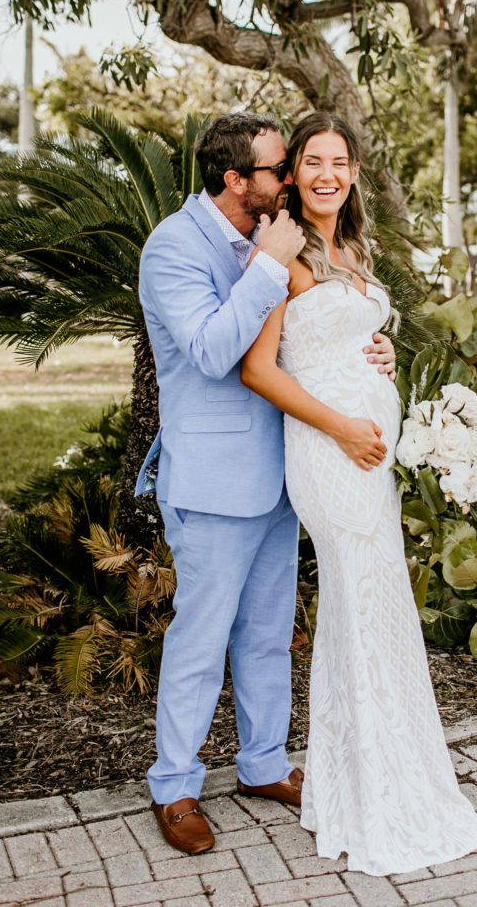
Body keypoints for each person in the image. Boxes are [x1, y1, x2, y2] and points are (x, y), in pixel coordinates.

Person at [241, 111, 477, 876]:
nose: (327, 174)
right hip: (328, 456)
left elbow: (349, 331)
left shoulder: (351, 248)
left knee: (379, 614)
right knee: (362, 613)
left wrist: (377, 345)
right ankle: (378, 804)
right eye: (312, 161)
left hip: (370, 459)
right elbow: (260, 369)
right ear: (293, 174)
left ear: (353, 172)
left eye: (340, 161)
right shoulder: (282, 250)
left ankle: (382, 784)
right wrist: (346, 429)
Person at [135, 113, 396, 855]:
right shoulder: (174, 248)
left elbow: (308, 333)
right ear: (234, 181)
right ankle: (175, 785)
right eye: (278, 170)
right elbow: (218, 353)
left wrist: (369, 347)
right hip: (214, 477)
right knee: (201, 635)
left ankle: (262, 763)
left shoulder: (272, 235)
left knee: (266, 633)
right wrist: (268, 266)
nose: (289, 181)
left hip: (288, 468)